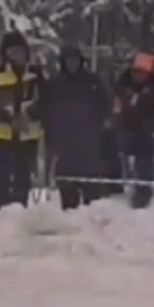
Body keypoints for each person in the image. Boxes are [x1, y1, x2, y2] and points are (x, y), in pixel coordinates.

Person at [0, 30, 45, 210]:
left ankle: (19, 214)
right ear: (5, 53)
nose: (18, 55)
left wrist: (31, 114)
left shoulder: (36, 74)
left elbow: (47, 101)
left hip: (28, 136)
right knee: (1, 180)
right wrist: (5, 117)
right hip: (3, 137)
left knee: (23, 180)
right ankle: (1, 214)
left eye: (20, 50)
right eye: (13, 51)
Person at [43, 45, 109, 210]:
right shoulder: (55, 85)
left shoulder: (93, 81)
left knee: (93, 193)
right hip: (65, 142)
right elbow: (46, 110)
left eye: (75, 61)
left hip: (90, 141)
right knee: (68, 190)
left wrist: (100, 126)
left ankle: (93, 220)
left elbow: (106, 104)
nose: (72, 64)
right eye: (68, 61)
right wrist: (50, 136)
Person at [111, 51, 154, 208]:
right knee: (107, 140)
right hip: (126, 129)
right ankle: (110, 185)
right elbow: (115, 110)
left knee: (146, 143)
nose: (137, 75)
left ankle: (143, 189)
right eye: (135, 71)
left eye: (142, 72)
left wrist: (152, 125)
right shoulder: (122, 89)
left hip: (149, 132)